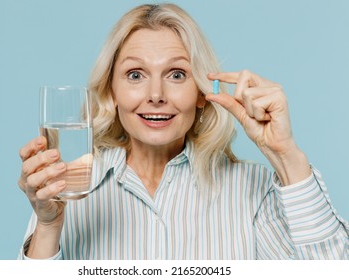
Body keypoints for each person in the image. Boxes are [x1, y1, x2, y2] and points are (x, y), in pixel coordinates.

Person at [17, 3, 348, 260]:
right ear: (111, 93)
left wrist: (287, 156)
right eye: (135, 75)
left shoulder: (254, 191)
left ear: (202, 93)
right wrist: (48, 226)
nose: (156, 94)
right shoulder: (70, 189)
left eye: (176, 74)